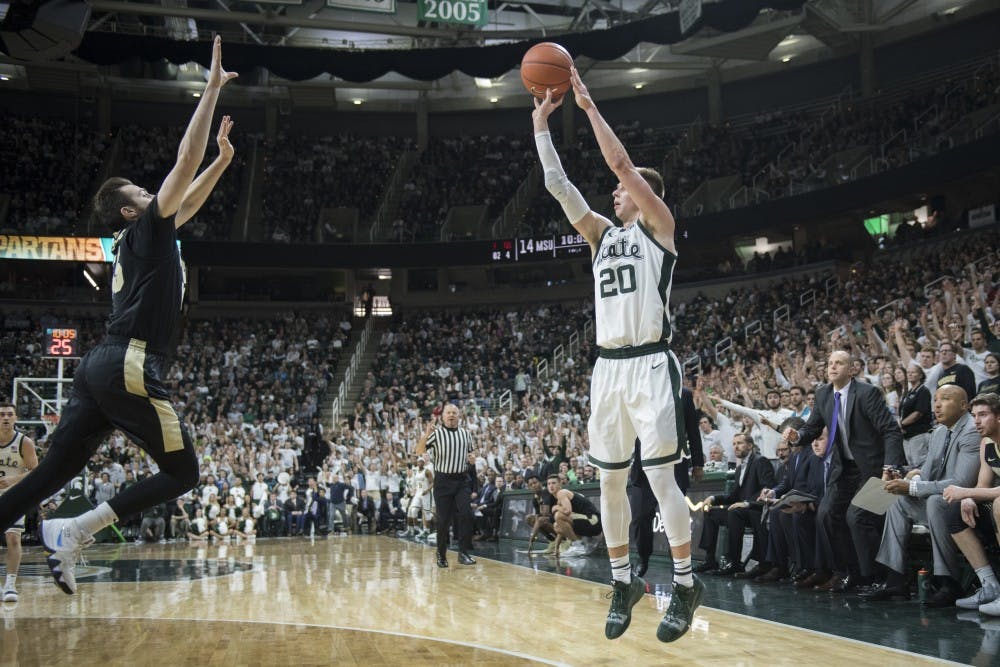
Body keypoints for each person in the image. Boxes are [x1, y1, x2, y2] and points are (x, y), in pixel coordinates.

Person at [0, 38, 238, 596]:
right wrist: (210, 88)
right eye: (140, 189)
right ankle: (74, 530)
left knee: (49, 475)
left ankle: (62, 527)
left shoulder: (145, 235)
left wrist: (223, 162)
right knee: (184, 474)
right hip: (129, 362)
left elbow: (190, 194)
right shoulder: (146, 227)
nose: (152, 190)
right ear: (131, 209)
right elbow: (184, 162)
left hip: (97, 366)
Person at [532, 67, 700, 643]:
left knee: (659, 482)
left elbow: (622, 166)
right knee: (607, 485)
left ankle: (683, 583)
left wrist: (586, 104)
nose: (613, 191)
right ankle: (624, 580)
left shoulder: (659, 227)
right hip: (607, 369)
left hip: (652, 363)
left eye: (622, 190)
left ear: (645, 195)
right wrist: (541, 130)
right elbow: (561, 189)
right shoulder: (603, 236)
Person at [782, 350, 904, 594]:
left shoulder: (868, 393)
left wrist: (890, 467)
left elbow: (891, 431)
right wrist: (798, 436)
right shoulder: (823, 394)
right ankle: (850, 571)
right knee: (826, 514)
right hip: (844, 469)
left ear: (852, 369)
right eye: (830, 363)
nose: (833, 367)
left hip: (873, 469)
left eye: (839, 363)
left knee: (857, 517)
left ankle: (874, 577)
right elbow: (812, 427)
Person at [860, 385, 979, 605]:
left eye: (945, 399)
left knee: (935, 501)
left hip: (967, 503)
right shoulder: (940, 431)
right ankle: (895, 579)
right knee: (896, 498)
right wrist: (905, 477)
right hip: (940, 499)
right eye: (935, 400)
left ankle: (948, 582)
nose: (937, 405)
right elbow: (927, 473)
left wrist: (913, 487)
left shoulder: (972, 431)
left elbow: (962, 483)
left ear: (964, 405)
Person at [629, 387, 704, 577]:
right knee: (639, 516)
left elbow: (693, 430)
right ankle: (643, 557)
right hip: (643, 466)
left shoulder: (683, 394)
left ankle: (677, 561)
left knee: (674, 517)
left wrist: (698, 463)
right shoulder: (639, 392)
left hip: (673, 464)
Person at [943, 393, 1000, 614]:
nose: (976, 421)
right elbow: (983, 484)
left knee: (998, 505)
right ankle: (990, 585)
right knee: (954, 511)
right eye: (974, 415)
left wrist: (965, 491)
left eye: (983, 415)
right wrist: (968, 497)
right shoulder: (987, 443)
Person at [693, 433, 775, 575]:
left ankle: (735, 562)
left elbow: (767, 489)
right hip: (740, 510)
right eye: (734, 444)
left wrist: (746, 503)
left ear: (750, 446)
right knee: (711, 512)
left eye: (740, 443)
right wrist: (713, 498)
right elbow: (734, 496)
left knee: (734, 512)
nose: (736, 447)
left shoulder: (760, 461)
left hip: (756, 510)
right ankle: (710, 559)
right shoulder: (739, 468)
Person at [415, 403, 476, 568]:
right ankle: (441, 554)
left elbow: (472, 452)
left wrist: (472, 458)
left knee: (467, 514)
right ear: (443, 417)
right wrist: (426, 434)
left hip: (462, 479)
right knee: (443, 520)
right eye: (448, 413)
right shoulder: (437, 434)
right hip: (443, 481)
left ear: (459, 416)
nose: (451, 415)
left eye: (454, 413)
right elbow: (419, 451)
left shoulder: (466, 434)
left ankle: (463, 553)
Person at [0, 404, 37, 603]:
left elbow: (35, 471)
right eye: (1, 414)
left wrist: (11, 481)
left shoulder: (24, 442)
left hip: (14, 494)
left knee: (13, 539)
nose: (5, 418)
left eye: (9, 414)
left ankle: (10, 584)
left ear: (15, 418)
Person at [547, 474, 602, 557]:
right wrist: (556, 548)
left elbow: (567, 511)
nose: (551, 486)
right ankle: (582, 544)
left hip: (594, 521)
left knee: (558, 515)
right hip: (588, 522)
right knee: (557, 526)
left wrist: (556, 507)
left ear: (560, 484)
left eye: (553, 483)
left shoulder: (562, 493)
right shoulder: (560, 497)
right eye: (549, 484)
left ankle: (578, 545)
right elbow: (563, 526)